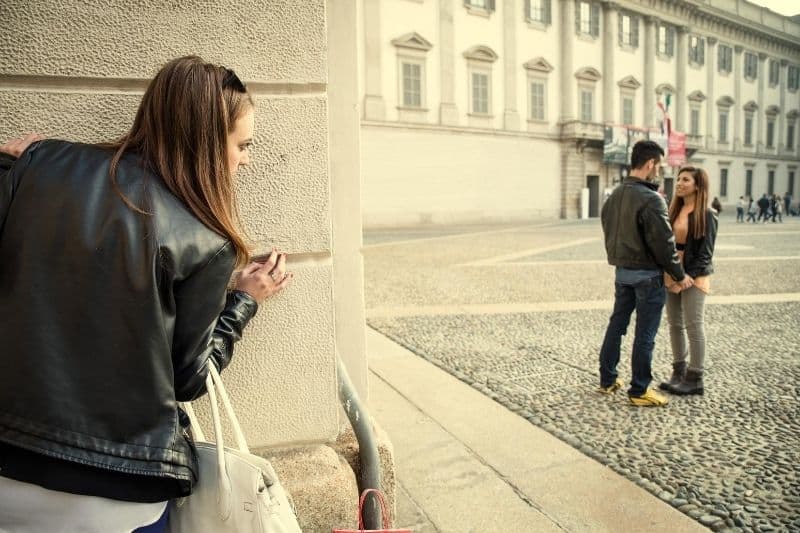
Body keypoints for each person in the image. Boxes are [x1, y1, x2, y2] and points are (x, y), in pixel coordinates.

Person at [0, 56, 292, 532]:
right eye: (242, 144)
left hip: (8, 469)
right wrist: (244, 301)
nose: (247, 159)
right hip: (119, 489)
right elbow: (188, 380)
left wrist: (11, 166)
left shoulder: (39, 161)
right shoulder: (207, 239)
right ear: (206, 142)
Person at [598, 140, 692, 407]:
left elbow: (608, 231)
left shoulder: (614, 195)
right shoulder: (652, 199)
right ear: (650, 164)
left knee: (616, 325)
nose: (658, 170)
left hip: (622, 273)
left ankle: (607, 380)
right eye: (658, 165)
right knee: (645, 334)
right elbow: (664, 243)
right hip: (647, 276)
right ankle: (639, 390)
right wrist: (678, 273)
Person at [659, 166, 718, 396]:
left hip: (694, 275)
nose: (680, 183)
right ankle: (678, 371)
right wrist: (674, 272)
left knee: (694, 325)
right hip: (673, 272)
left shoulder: (707, 214)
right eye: (678, 179)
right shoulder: (674, 210)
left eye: (685, 180)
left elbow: (706, 253)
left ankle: (695, 377)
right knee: (674, 324)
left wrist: (688, 277)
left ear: (698, 185)